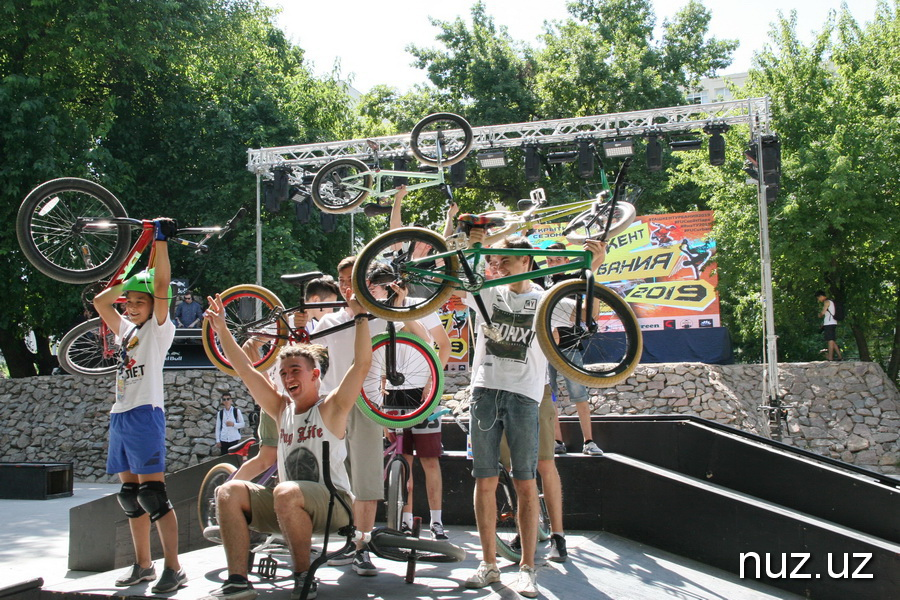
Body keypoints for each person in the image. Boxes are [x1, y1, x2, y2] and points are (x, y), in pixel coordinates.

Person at [457, 228, 605, 598]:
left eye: (505, 259)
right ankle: (488, 563)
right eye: (494, 261)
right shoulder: (488, 292)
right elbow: (455, 281)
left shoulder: (547, 298)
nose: (498, 266)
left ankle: (527, 567)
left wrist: (595, 270)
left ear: (525, 261)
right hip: (484, 393)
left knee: (525, 482)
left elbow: (587, 313)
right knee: (485, 480)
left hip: (525, 396)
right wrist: (472, 243)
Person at [201, 292, 372, 600]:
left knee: (285, 489)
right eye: (283, 373)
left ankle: (303, 576)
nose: (288, 377)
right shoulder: (281, 409)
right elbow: (245, 369)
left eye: (296, 371)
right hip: (288, 503)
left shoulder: (332, 407)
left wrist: (360, 317)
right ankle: (237, 581)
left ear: (315, 375)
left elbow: (361, 364)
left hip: (334, 505)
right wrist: (221, 329)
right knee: (227, 491)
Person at [92, 218, 186, 593]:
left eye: (138, 302)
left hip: (146, 413)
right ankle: (143, 565)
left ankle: (174, 568)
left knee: (153, 495)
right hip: (121, 415)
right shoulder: (126, 330)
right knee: (130, 498)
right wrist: (129, 273)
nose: (130, 307)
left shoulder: (159, 330)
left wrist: (159, 241)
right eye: (128, 302)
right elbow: (101, 300)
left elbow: (161, 286)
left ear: (153, 306)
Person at [319, 257, 428, 576]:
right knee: (333, 481)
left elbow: (424, 339)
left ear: (368, 282)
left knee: (366, 482)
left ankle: (361, 548)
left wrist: (402, 304)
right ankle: (341, 541)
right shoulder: (329, 321)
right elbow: (305, 353)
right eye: (340, 280)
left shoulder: (382, 315)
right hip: (332, 406)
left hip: (368, 406)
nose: (345, 285)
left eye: (351, 279)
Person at [543, 242, 603, 456]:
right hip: (546, 348)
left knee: (580, 395)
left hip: (571, 347)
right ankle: (556, 440)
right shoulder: (541, 280)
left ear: (567, 261)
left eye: (558, 260)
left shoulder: (575, 277)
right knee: (552, 398)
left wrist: (599, 250)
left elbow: (595, 263)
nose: (553, 263)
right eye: (550, 260)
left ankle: (589, 441)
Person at [816, 291, 843, 361]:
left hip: (829, 323)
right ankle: (839, 356)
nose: (818, 300)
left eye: (818, 298)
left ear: (821, 296)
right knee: (832, 340)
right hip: (833, 322)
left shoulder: (826, 302)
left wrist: (819, 315)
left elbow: (823, 312)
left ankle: (830, 358)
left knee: (830, 340)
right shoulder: (832, 301)